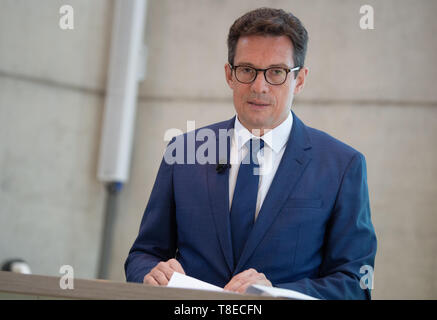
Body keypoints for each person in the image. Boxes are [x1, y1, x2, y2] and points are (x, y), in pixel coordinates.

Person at [124, 7, 377, 300]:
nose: (259, 86)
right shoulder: (183, 152)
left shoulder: (343, 166)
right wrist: (149, 273)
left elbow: (355, 283)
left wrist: (277, 294)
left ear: (300, 79)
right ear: (229, 75)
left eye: (277, 73)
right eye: (247, 70)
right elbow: (144, 253)